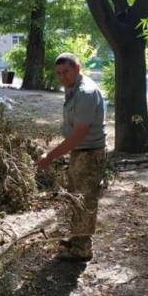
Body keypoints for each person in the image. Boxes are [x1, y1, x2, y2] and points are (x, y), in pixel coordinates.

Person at [37, 53, 107, 262]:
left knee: (85, 199)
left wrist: (50, 156)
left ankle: (83, 249)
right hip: (80, 151)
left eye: (66, 72)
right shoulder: (73, 87)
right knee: (76, 196)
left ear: (78, 68)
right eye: (58, 73)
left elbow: (79, 134)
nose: (62, 77)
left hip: (89, 153)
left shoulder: (85, 93)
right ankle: (77, 240)